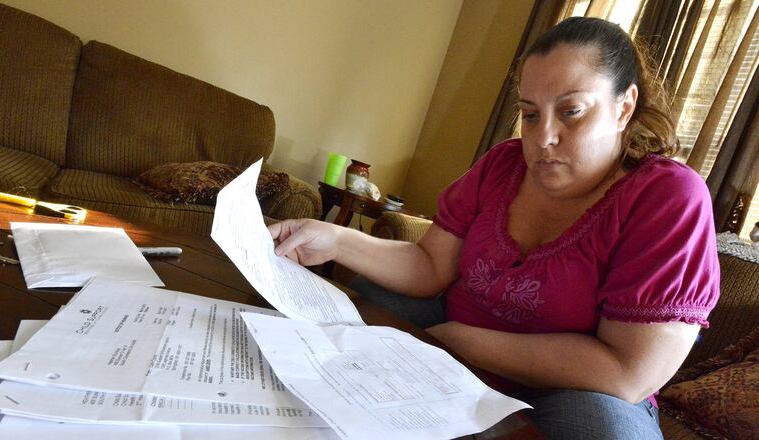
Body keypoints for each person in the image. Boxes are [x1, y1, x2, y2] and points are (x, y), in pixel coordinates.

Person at [268, 17, 720, 440]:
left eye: (572, 112)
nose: (543, 138)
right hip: (452, 334)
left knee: (605, 427)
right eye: (530, 114)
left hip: (574, 387)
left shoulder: (669, 198)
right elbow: (429, 266)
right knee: (372, 297)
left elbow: (628, 372)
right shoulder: (503, 163)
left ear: (625, 107)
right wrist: (335, 240)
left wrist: (460, 341)